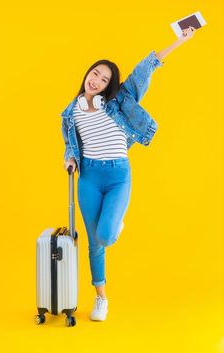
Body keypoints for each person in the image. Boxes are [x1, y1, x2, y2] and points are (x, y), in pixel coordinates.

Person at [61, 27, 196, 321]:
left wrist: (177, 42)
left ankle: (115, 223)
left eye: (104, 79)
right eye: (95, 73)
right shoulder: (69, 113)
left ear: (110, 86)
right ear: (88, 74)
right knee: (95, 243)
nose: (96, 80)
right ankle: (101, 299)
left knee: (107, 234)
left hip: (118, 175)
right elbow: (70, 145)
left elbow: (144, 70)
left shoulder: (118, 100)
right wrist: (69, 158)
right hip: (89, 178)